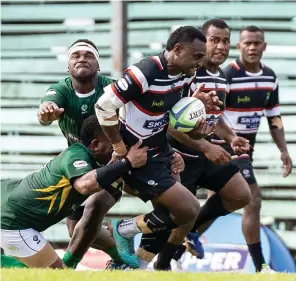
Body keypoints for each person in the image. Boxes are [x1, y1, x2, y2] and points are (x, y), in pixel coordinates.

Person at [37, 38, 186, 270]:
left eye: (89, 55)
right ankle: (120, 258)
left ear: (98, 65)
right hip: (78, 164)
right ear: (67, 66)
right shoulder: (61, 89)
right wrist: (46, 113)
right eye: (76, 56)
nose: (82, 59)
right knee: (78, 230)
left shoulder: (114, 88)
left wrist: (168, 151)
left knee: (95, 207)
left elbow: (148, 120)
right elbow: (47, 104)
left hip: (117, 161)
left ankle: (67, 268)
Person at [95, 26, 222, 270]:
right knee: (188, 210)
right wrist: (121, 149)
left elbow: (175, 121)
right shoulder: (145, 72)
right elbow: (103, 107)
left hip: (160, 150)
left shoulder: (186, 74)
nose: (200, 61)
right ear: (177, 49)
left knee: (168, 216)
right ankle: (124, 230)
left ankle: (133, 268)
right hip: (139, 154)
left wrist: (198, 128)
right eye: (197, 56)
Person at [136, 19, 252, 269]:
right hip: (178, 155)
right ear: (201, 42)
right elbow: (169, 122)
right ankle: (160, 265)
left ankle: (189, 236)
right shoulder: (186, 71)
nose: (221, 46)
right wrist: (206, 147)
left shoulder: (221, 76)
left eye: (225, 40)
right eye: (214, 40)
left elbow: (213, 115)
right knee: (176, 218)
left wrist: (231, 137)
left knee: (241, 195)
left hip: (204, 153)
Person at [0, 115, 148, 268]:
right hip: (13, 223)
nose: (120, 145)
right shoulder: (76, 155)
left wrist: (171, 162)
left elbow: (134, 189)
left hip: (11, 209)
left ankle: (120, 260)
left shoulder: (103, 164)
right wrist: (127, 162)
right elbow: (84, 185)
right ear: (95, 145)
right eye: (114, 141)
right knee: (57, 276)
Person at [217, 25, 292, 272]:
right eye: (247, 43)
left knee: (216, 204)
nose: (252, 47)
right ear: (239, 46)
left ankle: (177, 249)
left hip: (245, 151)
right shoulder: (227, 75)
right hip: (224, 147)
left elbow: (274, 118)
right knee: (252, 198)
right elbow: (214, 115)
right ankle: (260, 266)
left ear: (264, 46)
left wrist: (283, 150)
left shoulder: (269, 77)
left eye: (257, 43)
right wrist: (228, 138)